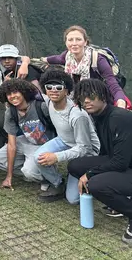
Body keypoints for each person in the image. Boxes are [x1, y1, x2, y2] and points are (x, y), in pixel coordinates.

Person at [68, 79, 132, 246]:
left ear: (103, 96)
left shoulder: (119, 118)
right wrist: (91, 171)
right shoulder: (99, 117)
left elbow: (120, 162)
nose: (86, 101)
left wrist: (90, 174)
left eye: (91, 96)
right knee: (75, 166)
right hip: (131, 165)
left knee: (96, 184)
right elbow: (108, 154)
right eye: (82, 97)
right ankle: (124, 197)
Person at [22, 25, 130, 109]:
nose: (74, 43)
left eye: (78, 39)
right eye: (70, 40)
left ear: (85, 42)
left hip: (99, 100)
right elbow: (44, 60)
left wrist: (121, 102)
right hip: (78, 99)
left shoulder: (97, 60)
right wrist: (25, 61)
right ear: (66, 42)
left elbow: (112, 83)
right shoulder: (67, 56)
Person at [33, 70, 100, 203]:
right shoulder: (49, 101)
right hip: (64, 141)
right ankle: (58, 183)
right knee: (38, 157)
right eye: (49, 87)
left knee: (73, 199)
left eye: (59, 87)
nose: (53, 90)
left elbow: (84, 148)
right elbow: (31, 91)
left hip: (87, 152)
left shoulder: (77, 115)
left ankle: (89, 175)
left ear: (66, 91)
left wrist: (57, 157)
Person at [0, 79, 56, 190]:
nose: (12, 96)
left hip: (45, 145)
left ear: (24, 92)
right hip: (26, 140)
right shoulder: (11, 112)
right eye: (8, 94)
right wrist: (9, 176)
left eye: (15, 92)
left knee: (29, 172)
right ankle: (37, 172)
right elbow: (11, 145)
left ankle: (53, 178)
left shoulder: (41, 106)